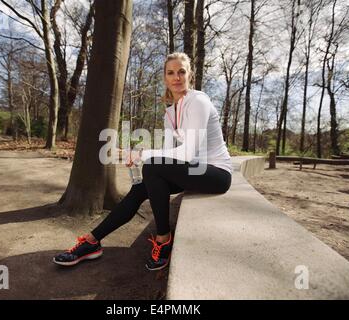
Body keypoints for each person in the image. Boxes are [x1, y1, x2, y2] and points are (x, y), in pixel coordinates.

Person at [53, 52, 232, 271]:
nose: (177, 77)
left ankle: (163, 239)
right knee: (141, 187)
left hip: (216, 173)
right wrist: (138, 155)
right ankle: (92, 241)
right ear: (165, 78)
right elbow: (168, 153)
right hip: (193, 171)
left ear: (190, 75)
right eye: (171, 73)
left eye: (181, 72)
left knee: (152, 167)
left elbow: (185, 154)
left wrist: (142, 155)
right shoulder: (170, 113)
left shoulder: (198, 101)